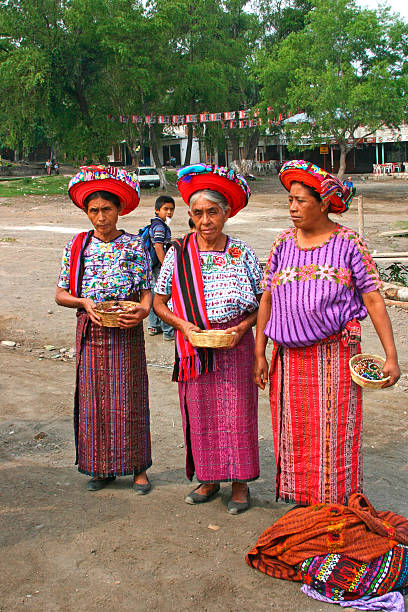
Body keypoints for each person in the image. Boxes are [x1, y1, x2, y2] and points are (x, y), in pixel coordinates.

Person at [253, 159, 400, 506]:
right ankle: (303, 502)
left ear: (323, 203)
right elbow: (268, 299)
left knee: (333, 435)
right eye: (289, 200)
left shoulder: (349, 243)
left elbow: (374, 300)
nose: (292, 207)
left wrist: (392, 357)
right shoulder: (282, 244)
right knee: (294, 435)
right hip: (287, 360)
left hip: (334, 355)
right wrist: (260, 352)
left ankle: (334, 504)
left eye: (300, 200)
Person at [153, 164, 263, 514]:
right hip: (194, 346)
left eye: (212, 212)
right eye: (198, 213)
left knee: (237, 413)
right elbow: (158, 301)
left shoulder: (242, 253)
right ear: (190, 216)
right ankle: (209, 478)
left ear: (226, 213)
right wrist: (184, 327)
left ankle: (241, 483)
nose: (205, 221)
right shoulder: (178, 253)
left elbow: (265, 303)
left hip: (236, 343)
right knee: (200, 414)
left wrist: (243, 328)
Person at [55, 165, 153, 493]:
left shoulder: (135, 245)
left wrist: (142, 310)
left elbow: (146, 290)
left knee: (130, 399)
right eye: (93, 211)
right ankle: (101, 467)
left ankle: (138, 468)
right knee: (95, 401)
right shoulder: (77, 247)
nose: (100, 217)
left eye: (106, 210)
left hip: (126, 330)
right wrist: (84, 303)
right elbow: (61, 294)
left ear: (119, 210)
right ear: (86, 212)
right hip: (93, 333)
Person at [147, 195, 175, 340]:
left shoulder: (156, 224)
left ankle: (153, 326)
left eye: (171, 209)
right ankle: (168, 331)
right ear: (157, 210)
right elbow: (158, 246)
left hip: (153, 265)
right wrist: (166, 266)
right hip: (159, 266)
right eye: (166, 209)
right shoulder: (160, 226)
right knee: (164, 297)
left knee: (154, 294)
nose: (169, 212)